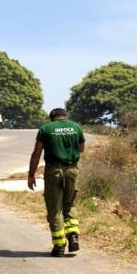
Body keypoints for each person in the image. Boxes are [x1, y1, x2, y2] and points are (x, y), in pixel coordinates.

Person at [27, 108, 85, 257]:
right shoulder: (76, 127)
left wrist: (31, 175)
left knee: (55, 209)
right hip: (72, 170)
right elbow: (81, 148)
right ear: (65, 116)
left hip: (54, 172)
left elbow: (36, 153)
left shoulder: (46, 129)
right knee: (69, 204)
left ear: (52, 118)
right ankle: (72, 235)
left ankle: (59, 246)